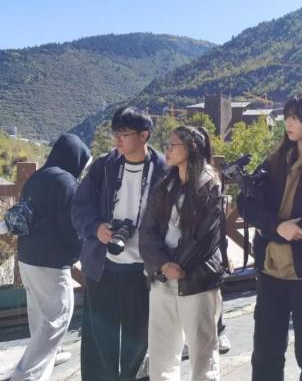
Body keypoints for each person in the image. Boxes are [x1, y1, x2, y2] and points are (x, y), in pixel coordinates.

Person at [238, 91, 302, 381]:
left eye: (296, 117)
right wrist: (277, 227)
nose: (289, 124)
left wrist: (285, 229)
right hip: (271, 272)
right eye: (287, 117)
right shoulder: (276, 160)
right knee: (265, 353)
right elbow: (246, 202)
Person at [71, 107, 168, 381]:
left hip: (143, 270)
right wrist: (96, 228)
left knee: (140, 337)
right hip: (103, 265)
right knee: (100, 338)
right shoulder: (104, 166)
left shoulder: (163, 170)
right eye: (116, 134)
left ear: (144, 135)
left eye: (124, 134)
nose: (117, 140)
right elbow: (79, 208)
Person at [140, 126, 224, 381]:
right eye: (167, 144)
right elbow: (147, 231)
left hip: (195, 278)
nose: (167, 149)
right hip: (163, 276)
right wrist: (163, 265)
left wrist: (176, 265)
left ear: (191, 148)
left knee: (202, 355)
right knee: (161, 352)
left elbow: (204, 238)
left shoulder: (210, 184)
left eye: (173, 145)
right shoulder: (165, 185)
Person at [10, 134, 91, 381]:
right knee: (56, 320)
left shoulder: (38, 177)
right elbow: (72, 226)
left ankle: (49, 356)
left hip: (27, 256)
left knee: (40, 317)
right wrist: (82, 252)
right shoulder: (66, 182)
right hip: (51, 262)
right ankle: (26, 376)